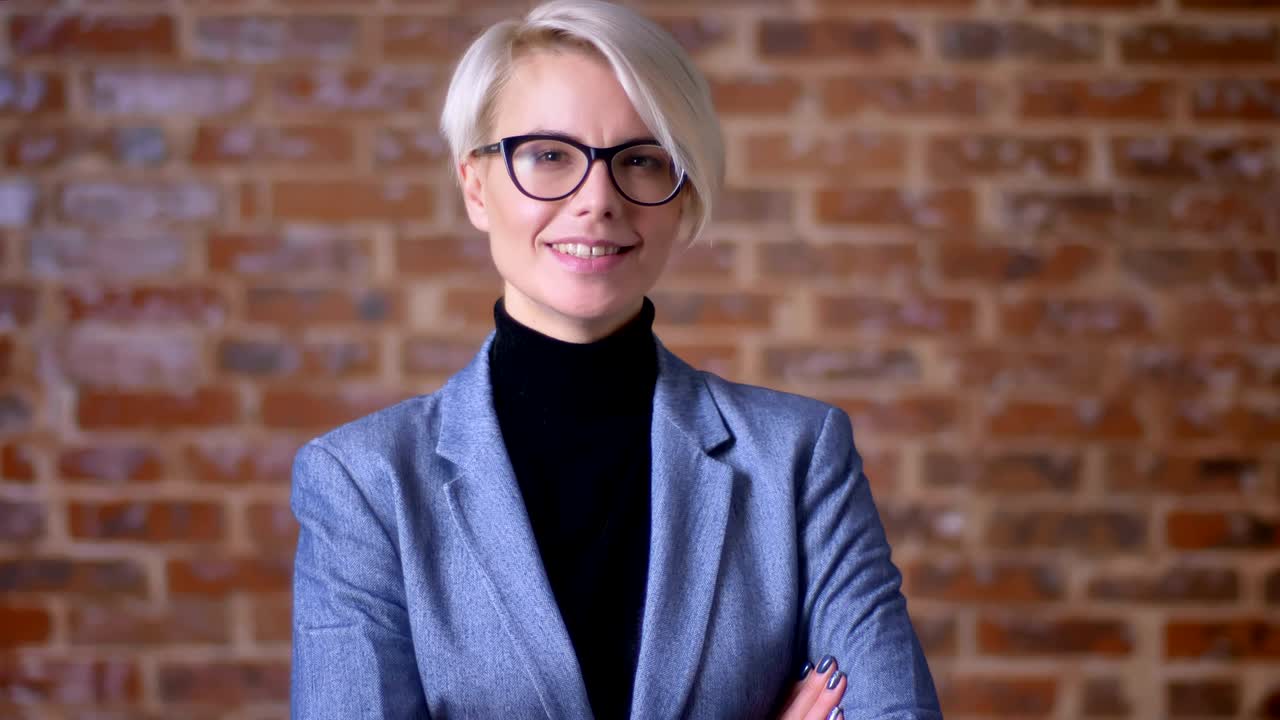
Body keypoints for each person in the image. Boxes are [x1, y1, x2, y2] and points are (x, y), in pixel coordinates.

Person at [288, 1, 942, 718]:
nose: (597, 200)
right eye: (548, 155)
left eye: (639, 159)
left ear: (682, 193)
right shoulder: (365, 484)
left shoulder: (797, 459)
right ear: (476, 185)